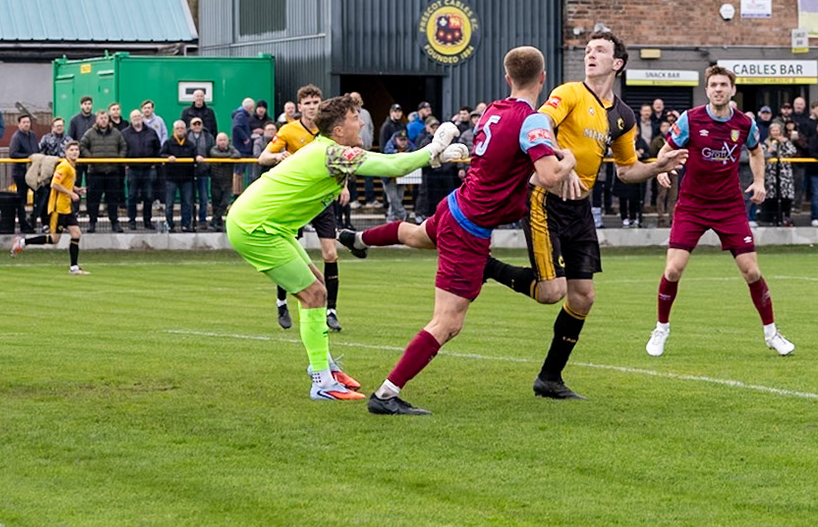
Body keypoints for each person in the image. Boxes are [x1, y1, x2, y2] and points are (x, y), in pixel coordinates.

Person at [354, 47, 572, 416]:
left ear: (507, 79)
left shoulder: (492, 111)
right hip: (469, 228)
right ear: (543, 78)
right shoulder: (532, 121)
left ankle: (357, 238)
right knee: (448, 322)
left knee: (416, 235)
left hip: (456, 206)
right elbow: (549, 176)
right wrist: (570, 159)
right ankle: (386, 395)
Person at [476, 32, 688, 398]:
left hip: (580, 210)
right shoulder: (570, 93)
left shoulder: (623, 115)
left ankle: (549, 379)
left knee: (583, 297)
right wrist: (564, 162)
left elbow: (626, 170)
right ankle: (487, 267)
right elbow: (536, 125)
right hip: (545, 199)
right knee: (550, 292)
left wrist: (656, 167)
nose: (591, 54)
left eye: (600, 50)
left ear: (617, 63)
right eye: (588, 49)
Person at [226, 95, 464, 401]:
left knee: (317, 289)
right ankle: (321, 382)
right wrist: (433, 149)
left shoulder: (330, 150)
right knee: (314, 294)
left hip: (266, 225)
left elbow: (394, 164)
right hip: (255, 228)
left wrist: (434, 159)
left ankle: (323, 367)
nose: (362, 122)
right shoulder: (333, 153)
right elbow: (392, 164)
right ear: (338, 130)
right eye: (355, 118)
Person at [644, 66, 795, 358]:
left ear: (732, 90)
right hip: (692, 205)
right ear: (707, 89)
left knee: (752, 271)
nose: (718, 89)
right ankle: (661, 328)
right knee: (673, 270)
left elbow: (756, 151)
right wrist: (660, 170)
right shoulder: (690, 119)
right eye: (713, 84)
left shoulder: (745, 124)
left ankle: (771, 333)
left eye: (723, 85)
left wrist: (760, 181)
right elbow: (666, 148)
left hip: (730, 206)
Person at [258, 85, 347, 331]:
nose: (312, 106)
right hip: (296, 202)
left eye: (316, 102)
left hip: (322, 199)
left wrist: (345, 185)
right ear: (299, 107)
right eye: (307, 103)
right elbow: (262, 157)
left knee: (330, 253)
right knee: (288, 254)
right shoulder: (288, 130)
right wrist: (278, 156)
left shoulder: (328, 129)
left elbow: (341, 157)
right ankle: (281, 302)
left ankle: (331, 310)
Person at [12, 141, 87, 273]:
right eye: (72, 150)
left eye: (76, 150)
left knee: (76, 234)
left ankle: (74, 267)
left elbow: (64, 183)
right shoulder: (64, 166)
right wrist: (71, 193)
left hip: (66, 208)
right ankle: (23, 242)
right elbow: (54, 184)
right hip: (58, 208)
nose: (75, 152)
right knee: (54, 239)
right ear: (66, 152)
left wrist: (76, 189)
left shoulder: (70, 166)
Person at [79, 109, 127, 232]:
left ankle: (114, 223)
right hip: (95, 172)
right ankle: (92, 223)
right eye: (101, 118)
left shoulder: (116, 133)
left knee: (112, 200)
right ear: (97, 120)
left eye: (105, 118)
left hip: (112, 171)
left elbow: (123, 146)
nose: (103, 120)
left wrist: (119, 158)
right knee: (93, 200)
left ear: (108, 119)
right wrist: (90, 158)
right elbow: (82, 145)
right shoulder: (90, 133)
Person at [123, 108, 161, 231]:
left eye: (138, 116)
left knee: (148, 196)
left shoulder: (151, 132)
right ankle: (132, 221)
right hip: (132, 169)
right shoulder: (125, 133)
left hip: (148, 169)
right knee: (132, 196)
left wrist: (155, 163)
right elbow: (122, 150)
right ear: (131, 119)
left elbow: (158, 148)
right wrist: (126, 165)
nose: (137, 119)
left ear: (142, 117)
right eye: (134, 117)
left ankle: (147, 221)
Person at [8, 114, 38, 233]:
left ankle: (34, 218)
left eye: (28, 122)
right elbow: (13, 153)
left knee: (41, 193)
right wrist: (29, 157)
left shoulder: (33, 135)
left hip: (33, 172)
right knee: (22, 199)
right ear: (19, 124)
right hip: (20, 172)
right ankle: (23, 223)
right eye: (24, 122)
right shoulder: (16, 137)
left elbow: (36, 150)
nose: (26, 124)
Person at [763, 121, 796, 226]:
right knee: (772, 196)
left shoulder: (786, 141)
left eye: (777, 130)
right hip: (771, 173)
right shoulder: (765, 142)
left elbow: (792, 151)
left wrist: (784, 142)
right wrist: (769, 150)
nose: (775, 132)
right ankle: (773, 218)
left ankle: (786, 217)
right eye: (773, 130)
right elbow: (762, 155)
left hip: (784, 173)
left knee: (786, 196)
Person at [208, 132, 240, 231]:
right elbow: (215, 155)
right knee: (216, 203)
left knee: (225, 202)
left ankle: (214, 220)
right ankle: (217, 222)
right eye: (220, 140)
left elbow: (237, 154)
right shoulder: (213, 149)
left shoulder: (231, 149)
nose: (222, 142)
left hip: (227, 181)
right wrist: (228, 157)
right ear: (217, 141)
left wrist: (226, 156)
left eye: (224, 140)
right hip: (216, 180)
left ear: (227, 141)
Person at [230, 97, 256, 193]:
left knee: (240, 173)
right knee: (239, 173)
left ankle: (238, 192)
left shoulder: (241, 115)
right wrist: (245, 138)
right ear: (249, 107)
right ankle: (237, 193)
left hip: (243, 148)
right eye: (252, 108)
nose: (253, 110)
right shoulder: (241, 116)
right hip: (241, 148)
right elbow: (237, 127)